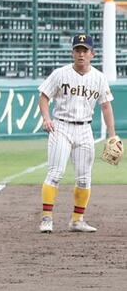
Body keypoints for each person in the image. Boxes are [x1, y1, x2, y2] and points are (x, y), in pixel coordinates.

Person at [38, 33, 116, 233]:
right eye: (77, 50)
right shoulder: (60, 74)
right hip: (61, 126)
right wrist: (46, 118)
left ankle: (77, 220)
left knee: (84, 178)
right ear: (72, 53)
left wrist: (112, 135)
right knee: (55, 173)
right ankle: (46, 219)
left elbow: (106, 106)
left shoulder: (99, 78)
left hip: (85, 129)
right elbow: (44, 96)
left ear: (92, 54)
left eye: (85, 50)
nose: (81, 54)